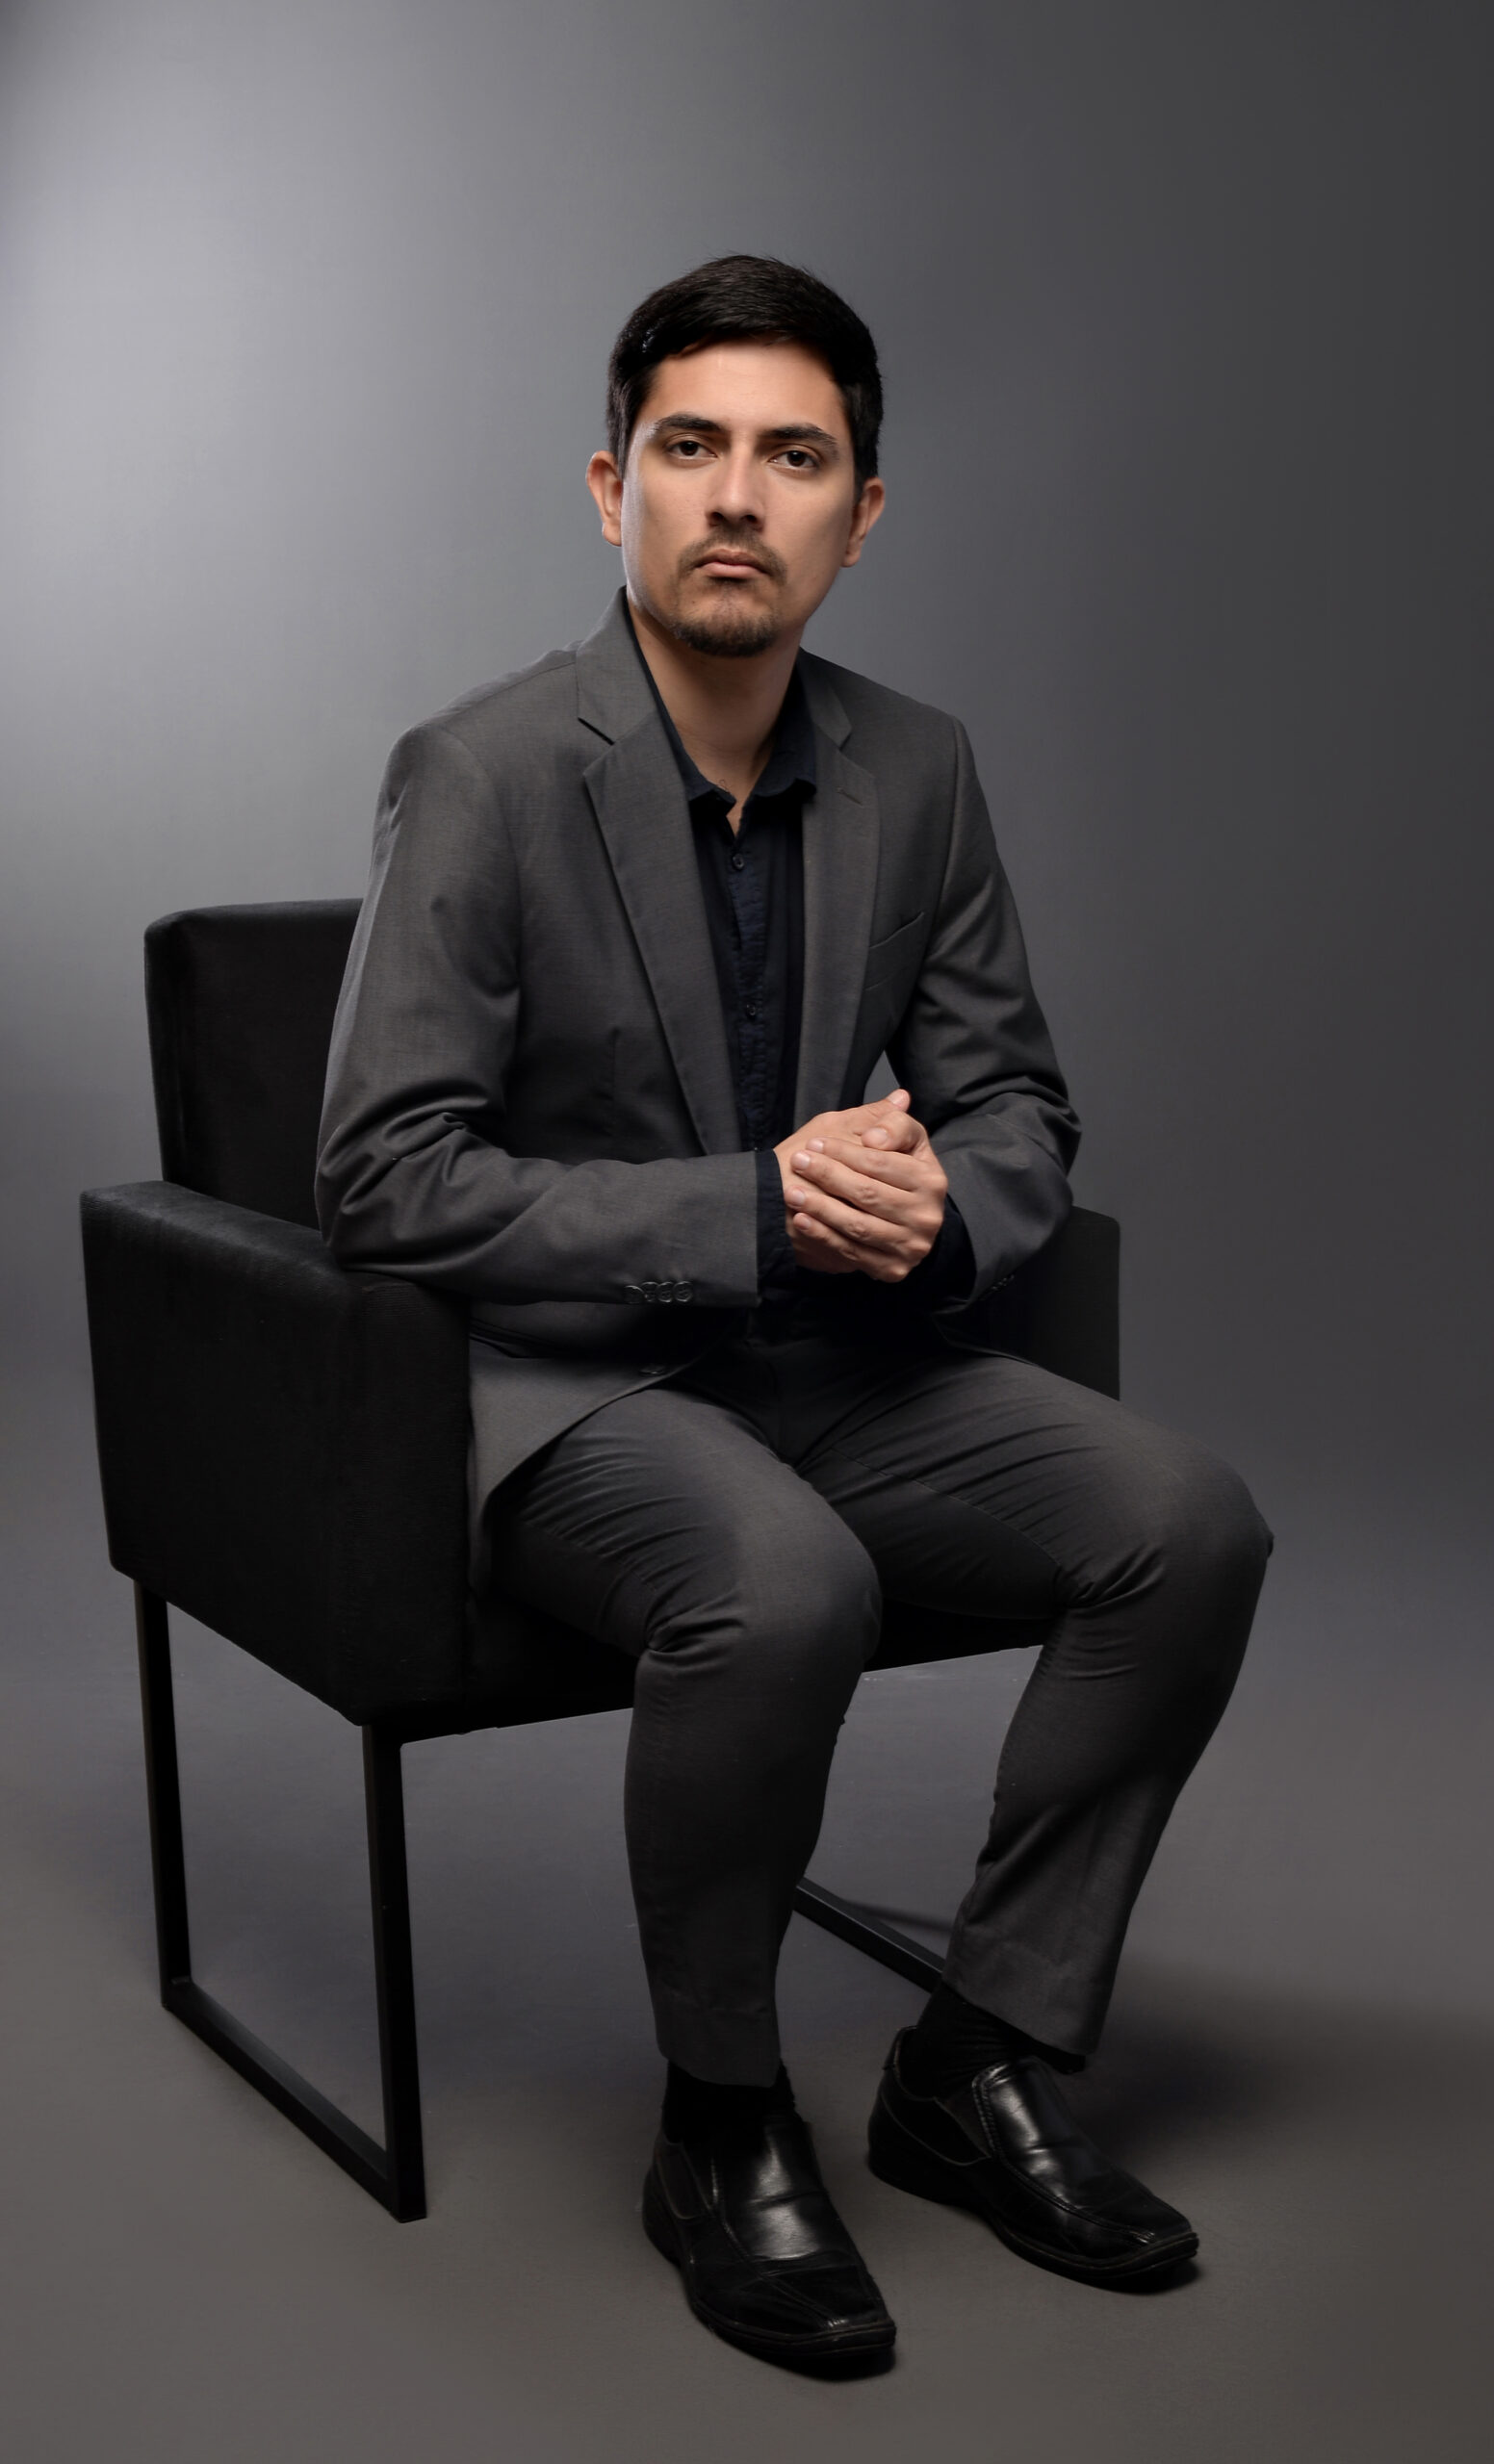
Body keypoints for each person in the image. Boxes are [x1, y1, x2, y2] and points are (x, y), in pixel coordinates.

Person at [317, 255, 1270, 2374]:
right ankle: (722, 2116)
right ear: (612, 488)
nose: (736, 495)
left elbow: (1015, 1103)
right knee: (784, 1579)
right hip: (577, 1387)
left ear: (860, 514)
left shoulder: (919, 767)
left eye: (793, 456)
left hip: (851, 1358)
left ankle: (979, 2051)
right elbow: (385, 1176)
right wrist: (749, 1209)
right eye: (690, 447)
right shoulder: (480, 772)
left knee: (1187, 1526)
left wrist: (931, 1210)